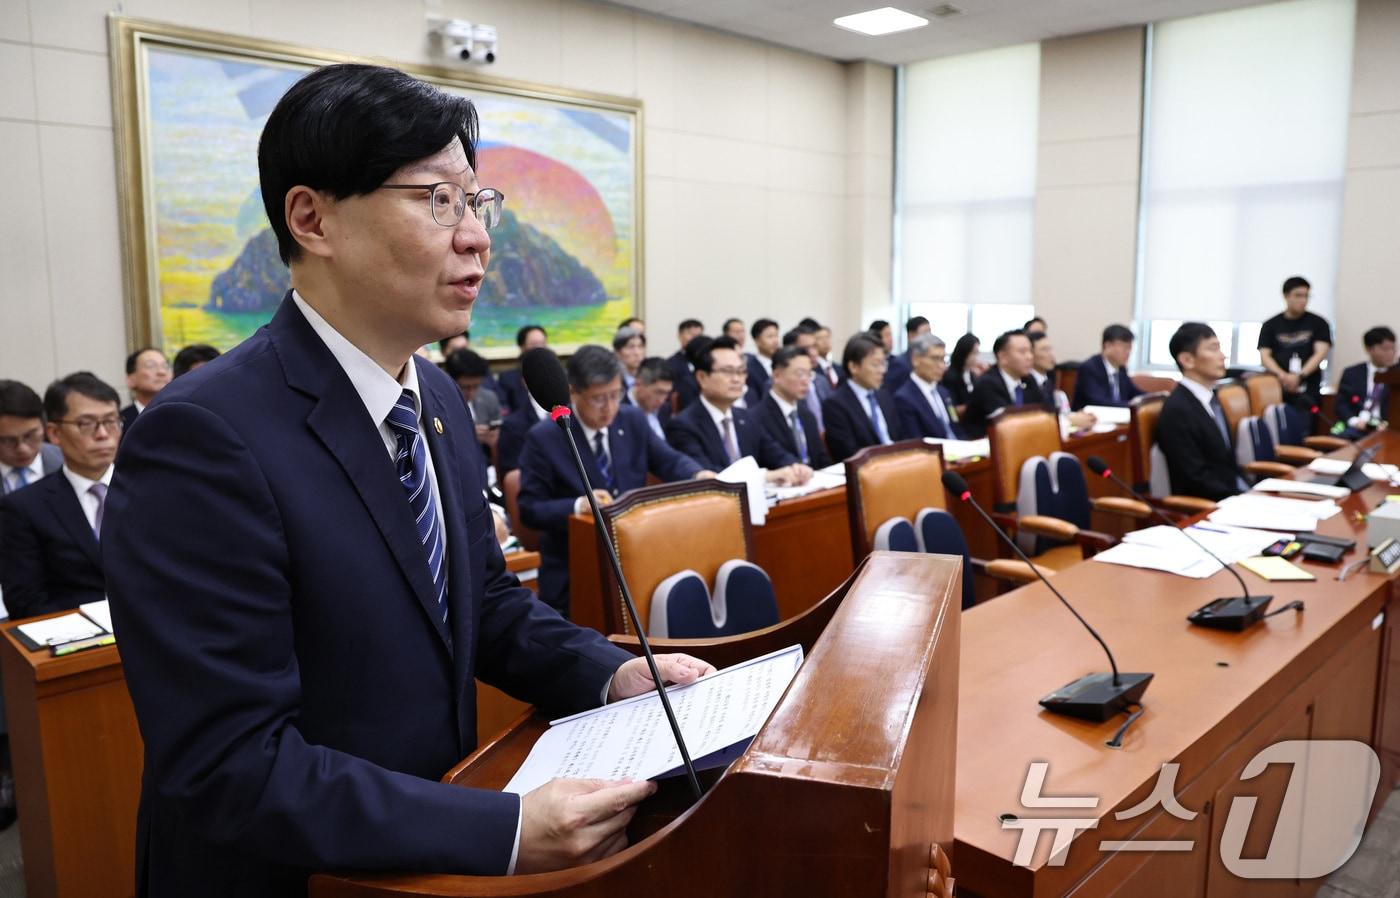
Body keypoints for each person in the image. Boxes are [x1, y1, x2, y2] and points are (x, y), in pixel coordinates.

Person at [102, 65, 711, 897]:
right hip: (295, 877)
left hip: (423, 857)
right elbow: (229, 763)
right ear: (312, 219)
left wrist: (607, 674)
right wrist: (503, 830)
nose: (475, 237)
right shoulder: (202, 437)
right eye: (436, 201)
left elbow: (484, 603)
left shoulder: (431, 400)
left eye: (476, 203)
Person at [519, 346, 711, 614]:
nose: (609, 407)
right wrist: (577, 505)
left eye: (615, 395)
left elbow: (668, 459)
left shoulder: (631, 419)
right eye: (599, 398)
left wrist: (698, 474)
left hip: (637, 557)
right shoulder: (544, 437)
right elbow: (529, 509)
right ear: (573, 392)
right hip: (575, 569)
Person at [1, 372, 120, 619]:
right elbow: (27, 602)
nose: (103, 434)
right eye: (86, 424)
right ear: (54, 433)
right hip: (77, 640)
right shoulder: (24, 506)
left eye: (111, 421)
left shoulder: (149, 489)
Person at [666, 337, 810, 484]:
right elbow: (708, 474)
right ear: (702, 378)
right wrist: (765, 476)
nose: (737, 379)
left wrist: (795, 466)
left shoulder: (746, 417)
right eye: (728, 372)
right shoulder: (683, 425)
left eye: (741, 371)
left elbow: (775, 453)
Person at [1155, 323, 1245, 501]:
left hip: (1232, 494)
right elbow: (1195, 478)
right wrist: (1238, 498)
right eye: (1213, 349)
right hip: (1209, 505)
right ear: (1187, 360)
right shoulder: (1177, 410)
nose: (1222, 356)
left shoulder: (1213, 399)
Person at [822, 334, 903, 462]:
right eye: (876, 365)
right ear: (853, 367)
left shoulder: (884, 396)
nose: (882, 370)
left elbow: (900, 438)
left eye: (883, 364)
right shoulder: (835, 404)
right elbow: (848, 454)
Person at [1258, 276, 1332, 413]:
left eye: (1306, 296)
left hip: (1308, 387)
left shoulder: (1319, 323)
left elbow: (1320, 353)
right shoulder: (1270, 325)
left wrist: (1300, 376)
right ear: (1286, 296)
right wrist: (1283, 376)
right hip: (1277, 386)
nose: (1303, 300)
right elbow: (1265, 356)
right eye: (1298, 295)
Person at [963, 330, 1052, 438]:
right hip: (985, 445)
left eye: (1030, 351)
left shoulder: (1029, 380)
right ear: (1003, 357)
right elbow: (1007, 424)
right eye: (1022, 352)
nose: (1029, 357)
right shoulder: (988, 384)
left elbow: (1044, 413)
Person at [757, 346, 832, 468]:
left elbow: (822, 459)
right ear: (776, 375)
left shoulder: (807, 415)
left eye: (809, 374)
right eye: (800, 374)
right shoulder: (757, 417)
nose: (806, 381)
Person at [893, 334, 964, 441]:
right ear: (915, 360)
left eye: (943, 359)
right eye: (935, 359)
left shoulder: (943, 393)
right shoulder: (904, 398)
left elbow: (956, 428)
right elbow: (916, 442)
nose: (942, 366)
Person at [0, 380, 63, 496]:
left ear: (45, 427)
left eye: (29, 436)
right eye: (8, 440)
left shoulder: (69, 463)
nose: (22, 449)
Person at [1334, 326, 1396, 437]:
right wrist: (1354, 421)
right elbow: (1341, 404)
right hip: (1358, 427)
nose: (1390, 353)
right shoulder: (1352, 373)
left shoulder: (1397, 374)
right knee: (1342, 437)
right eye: (1385, 349)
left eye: (1393, 348)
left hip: (1388, 428)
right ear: (1369, 349)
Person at [1029, 333, 1096, 432]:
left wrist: (1076, 417)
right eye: (1044, 350)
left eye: (1050, 349)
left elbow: (1054, 413)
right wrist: (1070, 420)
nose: (1051, 354)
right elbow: (1036, 420)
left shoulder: (1048, 380)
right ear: (1031, 355)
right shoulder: (1026, 383)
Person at [444, 349, 502, 458]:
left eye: (476, 386)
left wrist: (494, 438)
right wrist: (466, 435)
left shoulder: (489, 398)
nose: (471, 393)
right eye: (465, 387)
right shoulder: (438, 402)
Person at [1072, 324, 1141, 409]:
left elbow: (1134, 392)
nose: (1128, 352)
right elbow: (1098, 401)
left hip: (1118, 417)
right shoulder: (1090, 368)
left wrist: (1156, 398)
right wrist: (1131, 406)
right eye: (1125, 347)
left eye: (1130, 348)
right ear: (1107, 346)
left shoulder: (1121, 369)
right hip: (1091, 419)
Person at [782, 325, 829, 430]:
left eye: (815, 346)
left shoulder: (821, 380)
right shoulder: (778, 384)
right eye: (806, 349)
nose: (813, 353)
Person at [496, 325, 548, 414]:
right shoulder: (508, 379)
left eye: (542, 343)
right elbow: (505, 410)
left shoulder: (556, 375)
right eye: (534, 344)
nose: (540, 349)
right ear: (522, 346)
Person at [120, 347, 171, 429]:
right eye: (151, 366)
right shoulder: (120, 422)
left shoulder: (185, 415)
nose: (162, 372)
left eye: (165, 366)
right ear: (131, 380)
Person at [882, 316, 929, 397]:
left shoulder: (928, 361)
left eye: (930, 333)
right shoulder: (899, 363)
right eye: (925, 333)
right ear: (911, 336)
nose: (929, 337)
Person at [629, 357, 674, 440]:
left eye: (667, 393)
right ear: (639, 384)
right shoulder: (619, 413)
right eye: (658, 392)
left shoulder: (665, 409)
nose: (662, 400)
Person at [666, 320, 704, 411]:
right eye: (690, 334)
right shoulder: (671, 364)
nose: (695, 339)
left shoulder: (706, 362)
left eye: (698, 335)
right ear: (679, 336)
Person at [743, 318, 780, 407]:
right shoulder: (749, 369)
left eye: (776, 336)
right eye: (770, 337)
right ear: (757, 341)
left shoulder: (783, 365)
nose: (775, 341)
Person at [941, 334, 982, 411]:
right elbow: (952, 409)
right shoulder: (950, 377)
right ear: (964, 353)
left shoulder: (971, 375)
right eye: (973, 353)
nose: (976, 358)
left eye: (977, 353)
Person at [612, 326, 646, 394]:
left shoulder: (650, 378)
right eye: (630, 347)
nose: (637, 353)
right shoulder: (612, 382)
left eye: (640, 346)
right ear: (617, 352)